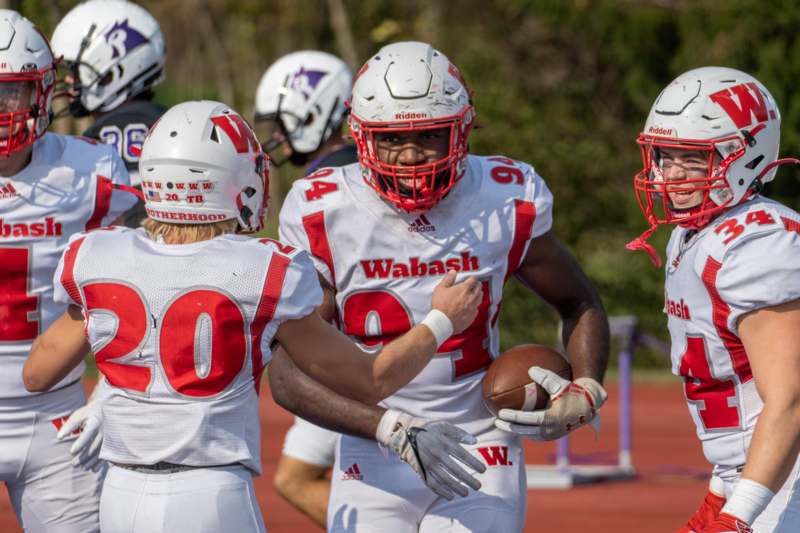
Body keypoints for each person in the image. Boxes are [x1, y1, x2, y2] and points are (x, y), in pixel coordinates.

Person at [22, 99, 488, 533]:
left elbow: (38, 374)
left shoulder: (98, 253)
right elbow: (371, 380)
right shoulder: (262, 269)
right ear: (233, 182)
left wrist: (114, 389)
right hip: (211, 493)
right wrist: (441, 321)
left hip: (120, 492)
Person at [279, 41, 610, 532]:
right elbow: (287, 372)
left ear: (462, 129)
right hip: (374, 448)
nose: (411, 156)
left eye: (430, 135)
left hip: (479, 443)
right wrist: (389, 429)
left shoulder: (504, 196)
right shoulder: (323, 209)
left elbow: (578, 301)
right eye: (392, 139)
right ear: (361, 137)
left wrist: (584, 386)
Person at [627, 66, 800, 532]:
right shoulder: (692, 234)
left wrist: (737, 515)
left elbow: (790, 400)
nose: (672, 174)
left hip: (786, 480)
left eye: (694, 159)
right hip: (756, 474)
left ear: (745, 156)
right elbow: (737, 393)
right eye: (664, 156)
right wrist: (720, 492)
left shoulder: (759, 244)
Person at [0, 10, 137, 532]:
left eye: (9, 90)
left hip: (54, 415)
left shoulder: (90, 172)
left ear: (43, 91)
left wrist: (107, 394)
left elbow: (129, 294)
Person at [255, 49, 355, 528]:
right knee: (295, 477)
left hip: (356, 357)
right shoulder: (350, 173)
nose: (274, 137)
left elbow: (319, 296)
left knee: (296, 478)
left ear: (312, 111)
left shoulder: (324, 184)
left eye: (280, 122)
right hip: (372, 350)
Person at [51, 0, 168, 227]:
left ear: (113, 71)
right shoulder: (174, 123)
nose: (68, 81)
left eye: (76, 71)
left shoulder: (97, 139)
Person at [254, 50, 356, 172]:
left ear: (310, 119)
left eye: (282, 125)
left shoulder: (319, 186)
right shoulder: (364, 169)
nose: (276, 135)